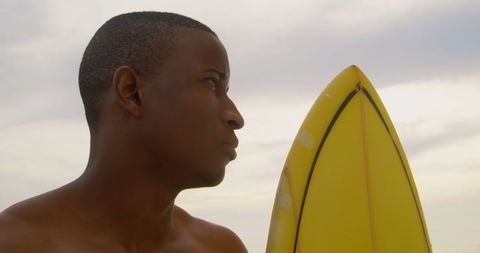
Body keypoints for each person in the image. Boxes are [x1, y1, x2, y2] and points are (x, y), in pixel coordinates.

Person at [0, 11, 248, 253]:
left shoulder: (222, 247)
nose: (236, 117)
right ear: (132, 92)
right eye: (212, 83)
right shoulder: (13, 243)